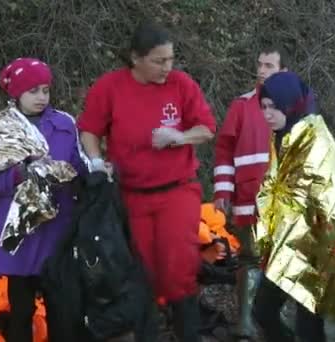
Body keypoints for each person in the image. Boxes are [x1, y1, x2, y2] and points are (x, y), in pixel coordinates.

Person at [77, 21, 216, 342]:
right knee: (141, 269)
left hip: (177, 190)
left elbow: (207, 129)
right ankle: (148, 332)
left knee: (178, 265)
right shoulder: (110, 87)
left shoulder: (181, 85)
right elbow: (89, 130)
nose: (167, 67)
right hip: (131, 193)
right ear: (135, 58)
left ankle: (188, 333)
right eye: (158, 60)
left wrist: (178, 136)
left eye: (170, 59)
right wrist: (97, 161)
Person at [0, 57, 87, 342]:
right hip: (19, 231)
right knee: (21, 310)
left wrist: (90, 174)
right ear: (17, 93)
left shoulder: (64, 123)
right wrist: (19, 175)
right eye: (33, 90)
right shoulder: (1, 128)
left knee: (62, 309)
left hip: (56, 228)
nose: (41, 97)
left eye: (45, 90)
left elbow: (79, 162)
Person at [212, 45, 287, 340]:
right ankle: (245, 325)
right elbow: (224, 150)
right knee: (251, 257)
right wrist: (222, 190)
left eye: (268, 65)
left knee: (285, 259)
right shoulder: (241, 106)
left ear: (283, 71)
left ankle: (276, 323)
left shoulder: (296, 107)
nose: (260, 70)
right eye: (259, 64)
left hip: (285, 201)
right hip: (248, 199)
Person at [252, 71, 325, 341]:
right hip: (284, 244)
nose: (268, 114)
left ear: (291, 104)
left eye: (275, 106)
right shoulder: (282, 136)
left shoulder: (313, 140)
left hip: (313, 248)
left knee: (309, 327)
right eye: (265, 107)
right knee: (263, 311)